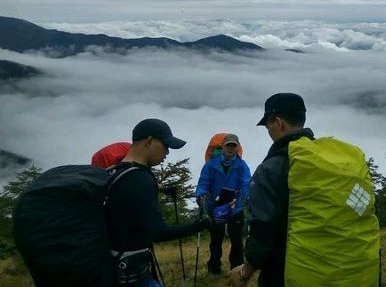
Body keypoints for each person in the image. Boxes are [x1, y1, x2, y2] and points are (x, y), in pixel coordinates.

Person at [105, 118, 210, 287]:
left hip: (111, 264)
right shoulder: (141, 178)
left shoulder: (115, 171)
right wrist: (200, 225)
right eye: (165, 145)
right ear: (149, 141)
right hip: (131, 272)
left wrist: (161, 189)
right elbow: (159, 233)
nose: (167, 152)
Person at [228, 93, 314, 287]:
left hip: (286, 271)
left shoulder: (272, 168)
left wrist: (245, 271)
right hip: (326, 263)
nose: (268, 131)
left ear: (278, 122)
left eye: (267, 125)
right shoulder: (323, 158)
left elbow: (262, 228)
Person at [196, 133, 251, 275]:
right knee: (216, 239)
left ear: (237, 148)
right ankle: (214, 268)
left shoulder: (242, 165)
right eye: (228, 145)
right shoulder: (211, 165)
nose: (231, 149)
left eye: (234, 146)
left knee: (237, 240)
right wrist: (200, 195)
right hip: (215, 207)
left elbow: (246, 185)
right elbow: (203, 183)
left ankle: (236, 269)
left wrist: (242, 199)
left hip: (235, 207)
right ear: (223, 146)